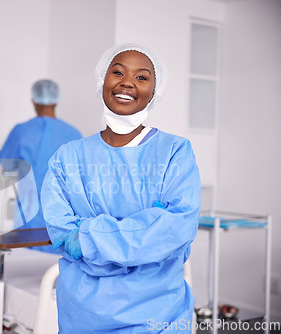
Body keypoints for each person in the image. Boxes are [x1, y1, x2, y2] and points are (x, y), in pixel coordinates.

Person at [41, 44, 201, 333]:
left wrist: (87, 236)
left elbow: (176, 228)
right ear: (103, 81)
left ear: (155, 92)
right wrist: (144, 229)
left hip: (156, 313)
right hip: (82, 314)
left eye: (142, 77)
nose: (127, 82)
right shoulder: (67, 157)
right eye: (117, 72)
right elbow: (62, 232)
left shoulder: (174, 152)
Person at [0, 79, 82, 253]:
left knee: (26, 262)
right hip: (64, 220)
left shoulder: (22, 131)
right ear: (56, 101)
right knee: (55, 267)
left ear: (33, 101)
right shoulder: (73, 134)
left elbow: (7, 169)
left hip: (28, 218)